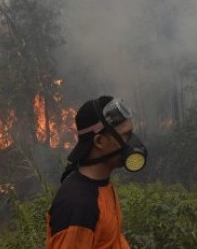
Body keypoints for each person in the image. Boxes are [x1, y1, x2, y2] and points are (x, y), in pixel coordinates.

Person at [46, 95, 147, 249]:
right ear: (99, 141)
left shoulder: (101, 185)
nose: (133, 143)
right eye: (126, 135)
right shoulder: (79, 206)